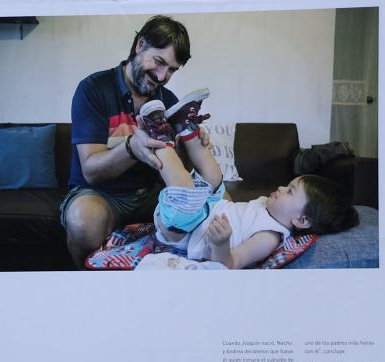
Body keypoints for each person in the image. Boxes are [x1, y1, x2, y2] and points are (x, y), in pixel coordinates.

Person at [137, 95, 359, 268]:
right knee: (215, 178)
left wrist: (221, 244)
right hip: (206, 210)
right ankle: (184, 127)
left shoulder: (268, 237)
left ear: (301, 219)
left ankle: (158, 137)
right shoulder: (268, 207)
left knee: (187, 194)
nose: (281, 187)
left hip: (182, 232)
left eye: (290, 191)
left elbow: (229, 264)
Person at [61, 15, 210, 268]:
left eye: (172, 70)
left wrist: (192, 141)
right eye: (159, 61)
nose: (162, 76)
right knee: (84, 219)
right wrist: (131, 147)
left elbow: (180, 173)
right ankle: (85, 284)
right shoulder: (93, 89)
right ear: (140, 45)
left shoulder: (170, 101)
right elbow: (91, 171)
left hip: (152, 193)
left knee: (211, 211)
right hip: (101, 194)